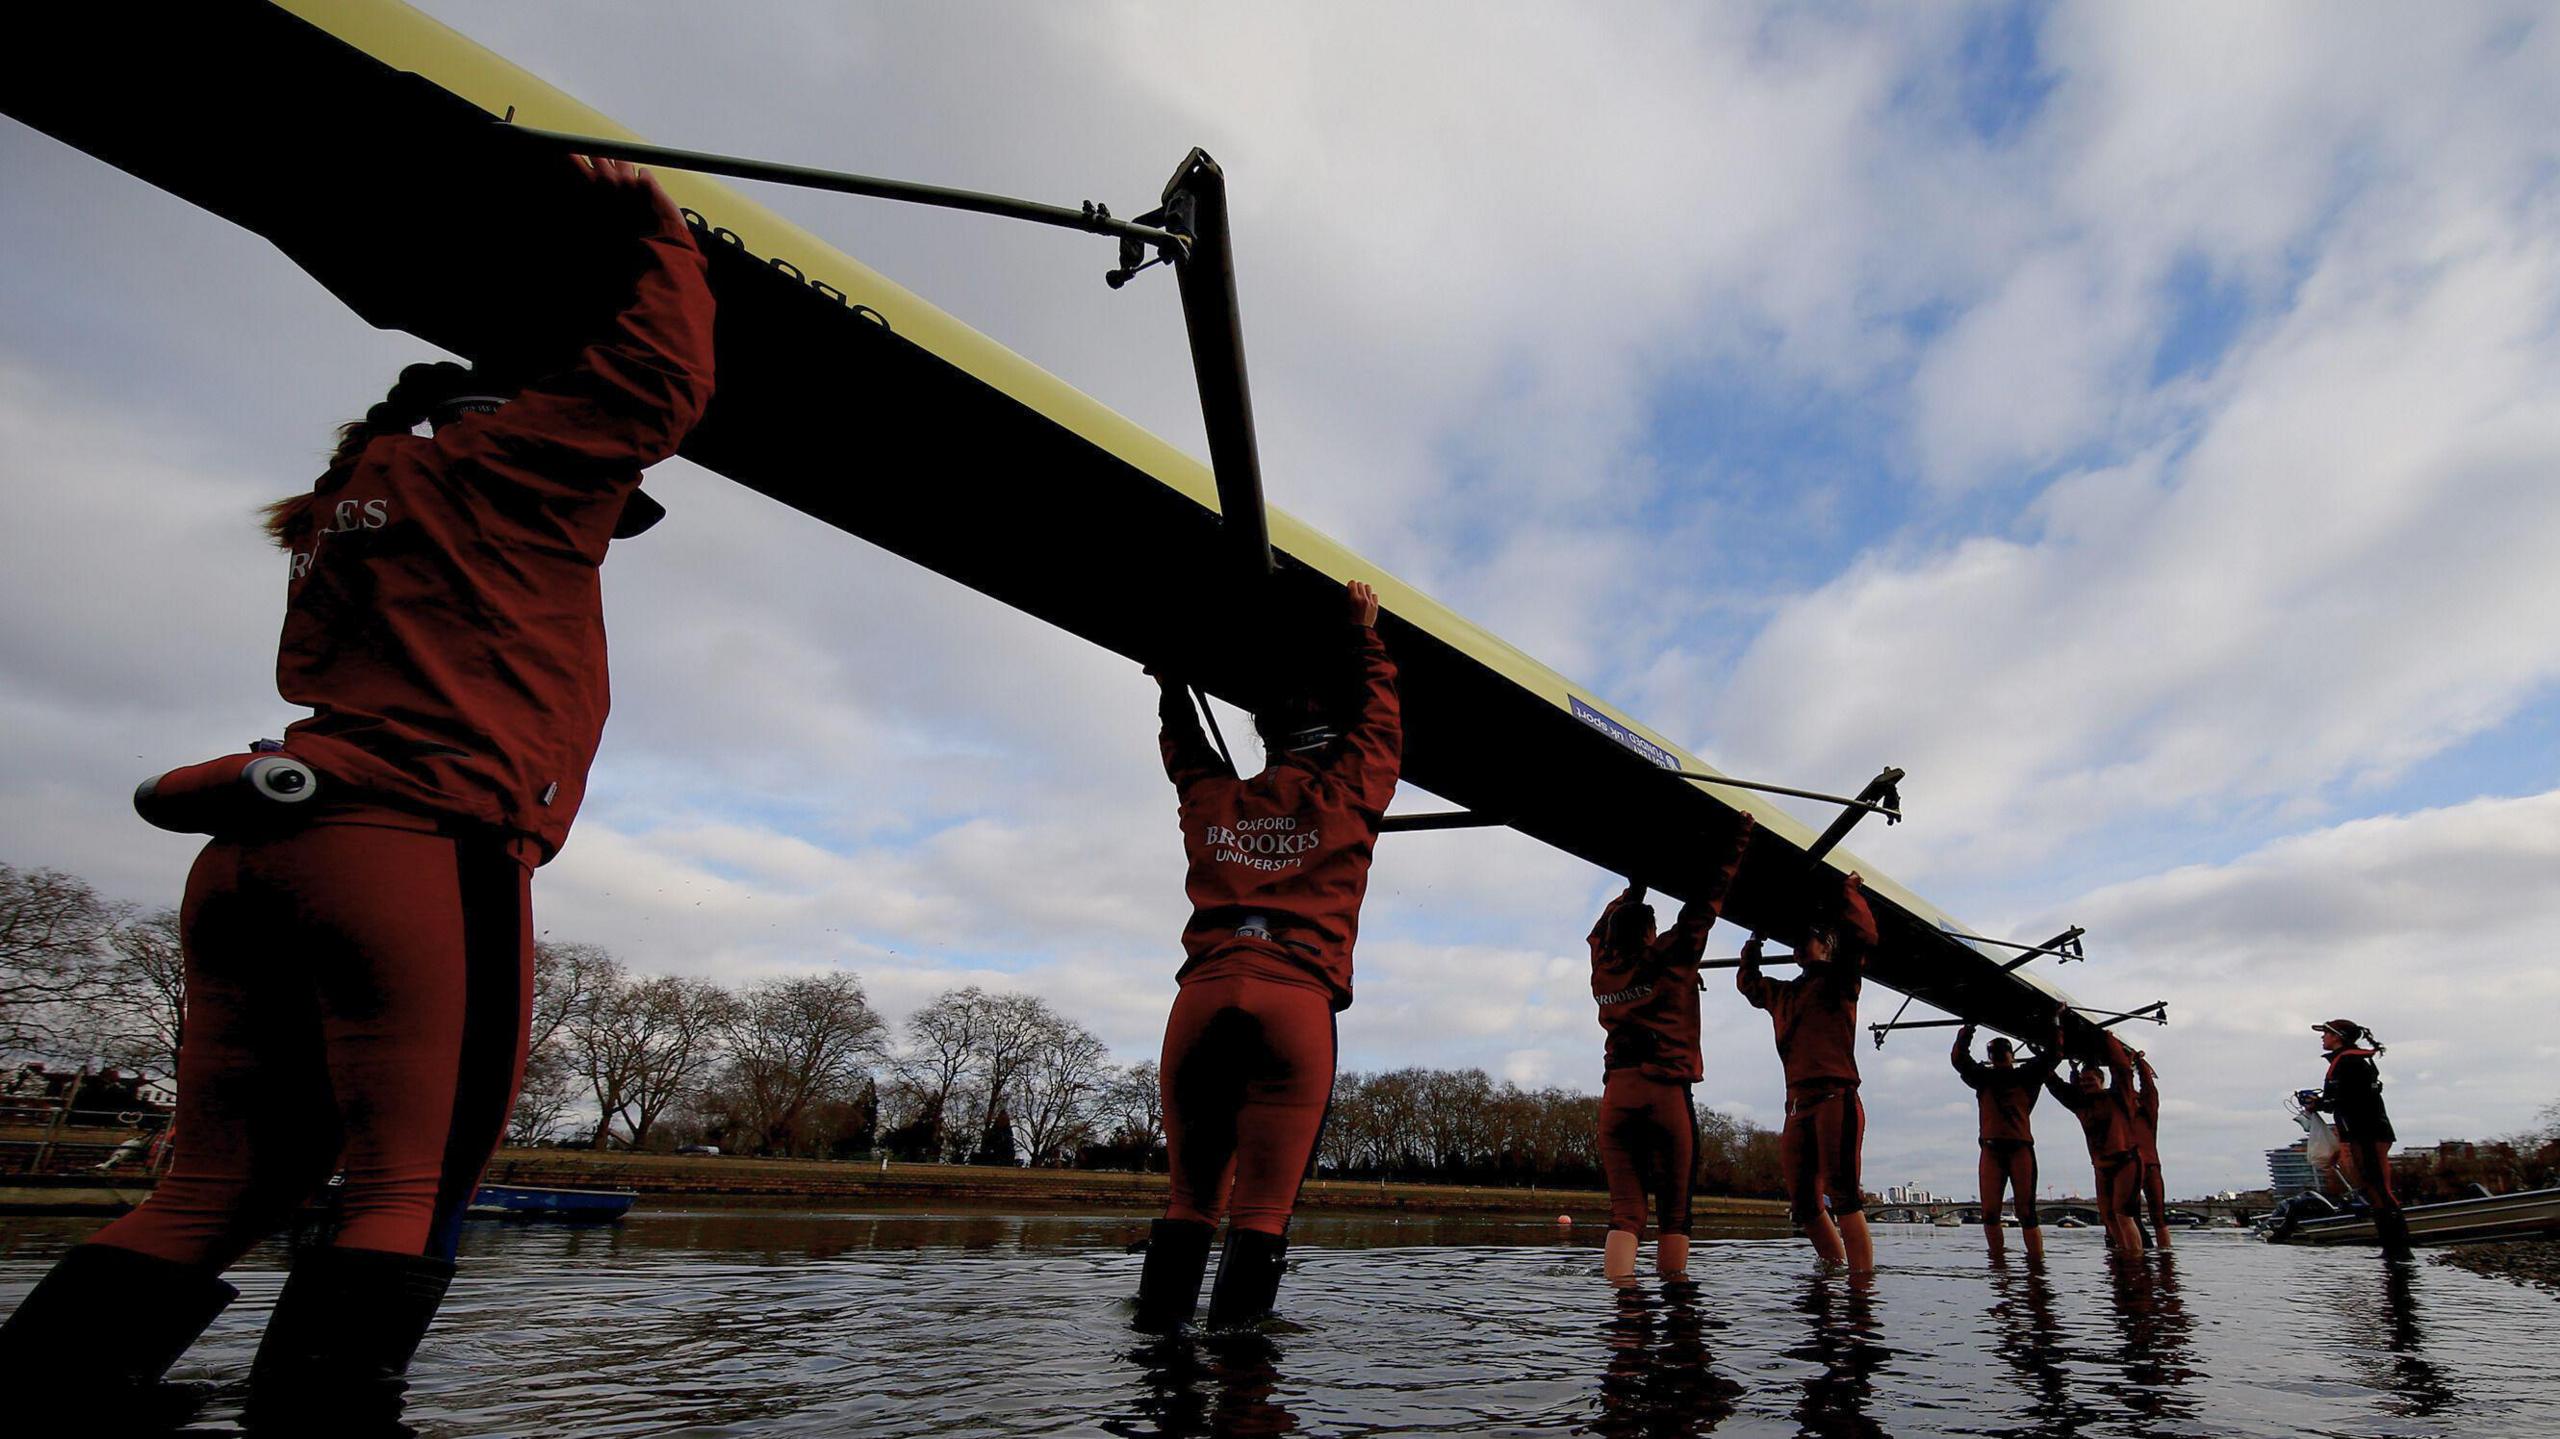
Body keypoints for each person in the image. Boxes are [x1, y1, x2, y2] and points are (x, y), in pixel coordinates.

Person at [0, 155, 714, 1432]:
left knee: (216, 1181)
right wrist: (664, 234)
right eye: (613, 501)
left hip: (257, 846)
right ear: (528, 422)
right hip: (417, 840)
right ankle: (327, 1416)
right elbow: (660, 382)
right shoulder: (512, 470)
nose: (612, 523)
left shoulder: (356, 495)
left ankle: (35, 1391)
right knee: (413, 1170)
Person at [1136, 579, 1401, 1329]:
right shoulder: (1349, 797)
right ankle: (1244, 1387)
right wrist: (1366, 636)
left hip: (1204, 995)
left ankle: (1157, 1378)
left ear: (1272, 737)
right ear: (1329, 736)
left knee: (1190, 1201)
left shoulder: (1218, 799)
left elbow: (1185, 757)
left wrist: (1171, 689)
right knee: (1260, 1211)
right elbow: (1382, 734)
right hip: (1294, 1000)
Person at [1588, 814, 1757, 1281]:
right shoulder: (1672, 957)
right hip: (1664, 1092)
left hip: (1616, 1096)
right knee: (1675, 1212)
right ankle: (1676, 1309)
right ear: (1650, 933)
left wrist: (1632, 893)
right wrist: (1738, 838)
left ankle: (1623, 1312)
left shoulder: (1602, 969)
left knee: (1625, 1213)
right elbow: (1706, 902)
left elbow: (1598, 934)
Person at [1738, 872, 1879, 1272]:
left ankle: (1861, 1284)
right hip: (1797, 1108)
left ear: (1828, 947)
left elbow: (1864, 937)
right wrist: (1755, 941)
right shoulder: (1783, 992)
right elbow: (1748, 983)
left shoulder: (1841, 980)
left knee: (1845, 1193)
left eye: (1810, 937)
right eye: (1799, 940)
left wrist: (1847, 893)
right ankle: (1834, 1266)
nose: (1801, 943)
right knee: (1803, 1203)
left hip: (1837, 1098)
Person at [2301, 1018, 2411, 1259]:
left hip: (2367, 1132)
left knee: (2379, 1187)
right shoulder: (2351, 1061)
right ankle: (2392, 1250)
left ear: (2337, 1036)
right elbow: (2346, 1098)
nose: (2322, 1038)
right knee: (2372, 1187)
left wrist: (2319, 1103)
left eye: (2326, 1034)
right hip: (2363, 1131)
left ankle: (2399, 1250)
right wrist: (2320, 1103)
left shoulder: (2349, 1062)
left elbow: (2350, 1099)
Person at [1951, 1023, 2061, 1261]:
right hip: (1994, 1149)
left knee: (2026, 1212)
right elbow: (1959, 1059)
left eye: (2002, 1051)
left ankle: (2035, 1263)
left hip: (2017, 1149)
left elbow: (2053, 1055)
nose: (1999, 1055)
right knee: (1990, 1213)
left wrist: (1967, 1030)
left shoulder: (2023, 1075)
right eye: (1996, 1052)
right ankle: (1999, 1262)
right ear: (1992, 1057)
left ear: (2010, 1054)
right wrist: (1967, 1030)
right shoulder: (1987, 1076)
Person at [2041, 1028, 2145, 1254]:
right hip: (2101, 1166)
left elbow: (2122, 1072)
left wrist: (2109, 1040)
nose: (2087, 1085)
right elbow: (2054, 1084)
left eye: (2092, 1081)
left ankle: (2136, 1261)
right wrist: (2044, 1055)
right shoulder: (2080, 1103)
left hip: (2125, 1161)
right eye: (2084, 1081)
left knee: (2123, 1214)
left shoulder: (2119, 1098)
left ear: (2101, 1081)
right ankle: (2122, 1256)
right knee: (2108, 1216)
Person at [2128, 1048, 2170, 1250]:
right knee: (2132, 1214)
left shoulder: (2147, 1111)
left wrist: (2140, 1065)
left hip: (2148, 1164)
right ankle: (2147, 1251)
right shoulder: (2119, 1106)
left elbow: (2149, 1090)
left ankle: (2164, 1253)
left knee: (2158, 1215)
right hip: (2129, 1165)